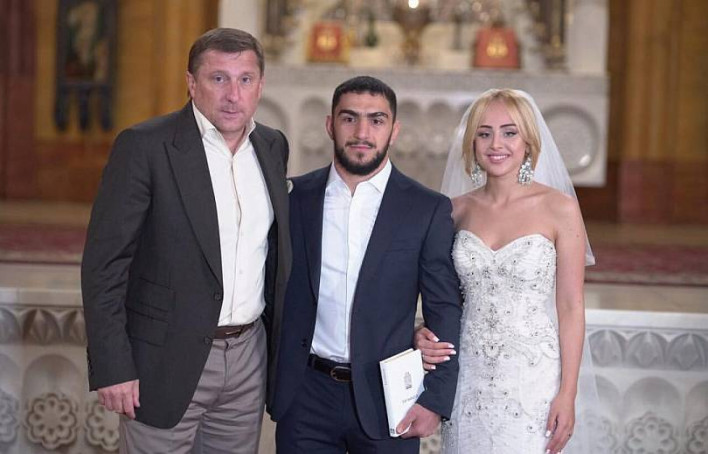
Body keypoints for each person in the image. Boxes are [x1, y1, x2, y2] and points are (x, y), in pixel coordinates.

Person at [81, 28, 291, 453]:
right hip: (163, 359)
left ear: (260, 86)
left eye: (245, 79)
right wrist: (112, 366)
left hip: (248, 357)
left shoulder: (272, 146)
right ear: (192, 83)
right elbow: (105, 265)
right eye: (218, 79)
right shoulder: (145, 146)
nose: (233, 95)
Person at [267, 76, 462, 453]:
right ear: (330, 125)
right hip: (305, 396)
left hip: (389, 396)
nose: (361, 132)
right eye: (349, 118)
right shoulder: (294, 198)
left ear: (394, 130)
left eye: (376, 120)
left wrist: (435, 399)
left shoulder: (426, 209)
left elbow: (444, 307)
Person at [415, 89, 598, 454]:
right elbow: (439, 298)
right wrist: (419, 332)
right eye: (484, 133)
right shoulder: (453, 211)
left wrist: (567, 393)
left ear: (528, 141)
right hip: (468, 377)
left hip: (533, 379)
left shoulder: (559, 208)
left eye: (509, 132)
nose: (496, 144)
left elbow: (570, 307)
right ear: (472, 143)